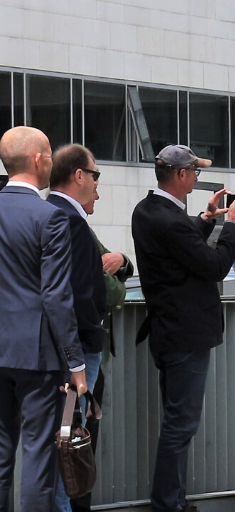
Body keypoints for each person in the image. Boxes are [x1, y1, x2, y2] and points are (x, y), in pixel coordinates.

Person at [131, 144, 235, 512]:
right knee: (181, 425)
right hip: (185, 334)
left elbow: (181, 250)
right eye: (195, 172)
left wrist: (206, 219)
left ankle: (173, 500)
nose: (197, 177)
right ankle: (168, 502)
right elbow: (213, 267)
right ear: (181, 176)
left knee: (176, 422)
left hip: (168, 331)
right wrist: (233, 224)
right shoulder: (169, 219)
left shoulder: (148, 211)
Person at [0, 127, 87, 511]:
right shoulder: (49, 217)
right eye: (50, 154)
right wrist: (77, 363)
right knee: (38, 457)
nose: (52, 161)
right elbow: (56, 296)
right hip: (37, 355)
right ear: (38, 160)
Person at [46, 144, 108, 512]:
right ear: (78, 175)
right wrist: (83, 354)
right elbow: (72, 294)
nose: (97, 184)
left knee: (60, 439)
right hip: (76, 351)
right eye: (95, 174)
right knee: (69, 441)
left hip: (54, 347)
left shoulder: (48, 213)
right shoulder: (67, 220)